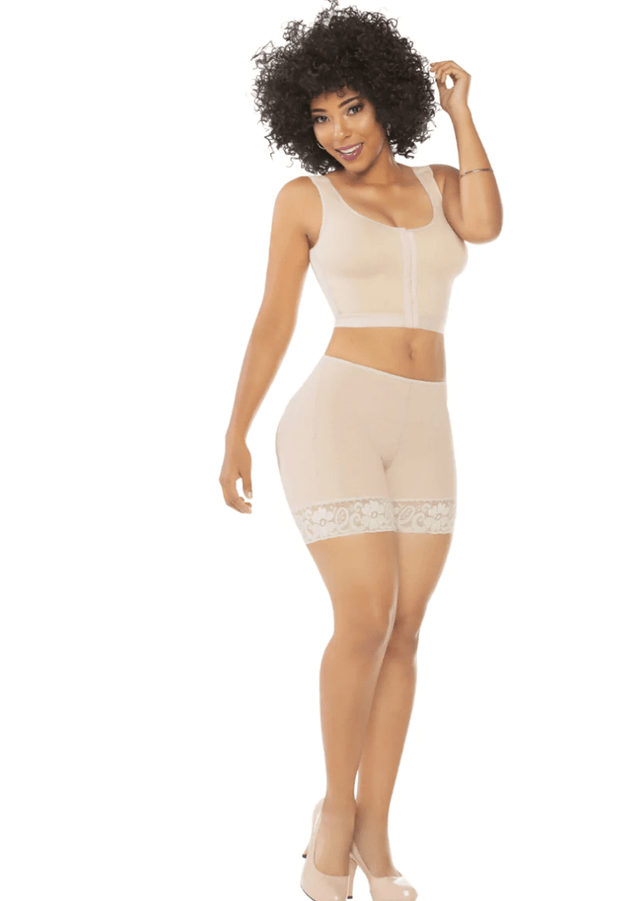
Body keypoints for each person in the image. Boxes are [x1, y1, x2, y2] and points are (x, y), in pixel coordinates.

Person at [219, 2, 502, 899]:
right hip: (336, 419)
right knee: (366, 618)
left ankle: (378, 832)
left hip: (426, 425)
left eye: (353, 108)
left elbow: (486, 226)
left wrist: (462, 114)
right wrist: (234, 429)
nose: (339, 132)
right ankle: (334, 817)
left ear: (386, 101)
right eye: (320, 117)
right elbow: (274, 319)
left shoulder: (441, 184)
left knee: (407, 630)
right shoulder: (305, 199)